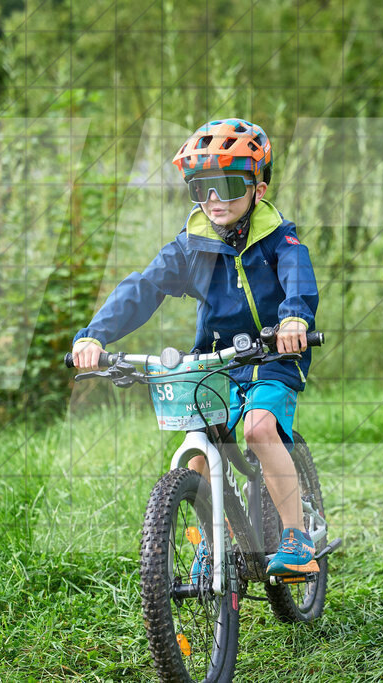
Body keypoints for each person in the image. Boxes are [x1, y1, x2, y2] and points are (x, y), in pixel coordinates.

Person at [70, 118, 320, 578]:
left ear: (258, 190)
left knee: (259, 431)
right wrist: (94, 335)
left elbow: (298, 280)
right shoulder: (191, 248)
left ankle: (296, 536)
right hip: (216, 361)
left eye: (227, 186)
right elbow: (142, 288)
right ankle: (213, 540)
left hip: (272, 355)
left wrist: (294, 319)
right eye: (201, 188)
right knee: (201, 448)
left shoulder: (280, 240)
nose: (214, 200)